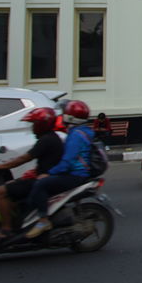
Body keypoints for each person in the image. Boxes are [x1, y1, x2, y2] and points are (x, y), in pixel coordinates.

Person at [0, 107, 64, 243]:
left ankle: (6, 229)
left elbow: (24, 159)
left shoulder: (46, 140)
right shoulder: (49, 138)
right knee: (9, 186)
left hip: (43, 180)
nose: (32, 127)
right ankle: (16, 220)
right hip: (40, 177)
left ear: (41, 125)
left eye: (34, 124)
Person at [25, 100, 97, 238]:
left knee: (40, 184)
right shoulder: (82, 131)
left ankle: (43, 220)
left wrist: (49, 173)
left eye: (65, 113)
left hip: (76, 175)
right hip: (77, 173)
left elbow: (68, 161)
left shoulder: (76, 135)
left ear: (70, 117)